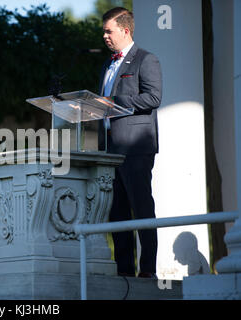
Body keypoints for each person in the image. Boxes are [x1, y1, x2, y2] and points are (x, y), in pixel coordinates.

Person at [97, 7, 162, 278]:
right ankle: (124, 274)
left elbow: (153, 98)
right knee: (118, 215)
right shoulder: (107, 65)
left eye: (108, 30)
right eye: (104, 31)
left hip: (135, 148)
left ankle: (148, 274)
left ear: (125, 30)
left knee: (142, 209)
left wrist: (115, 103)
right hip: (110, 151)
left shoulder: (146, 60)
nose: (104, 36)